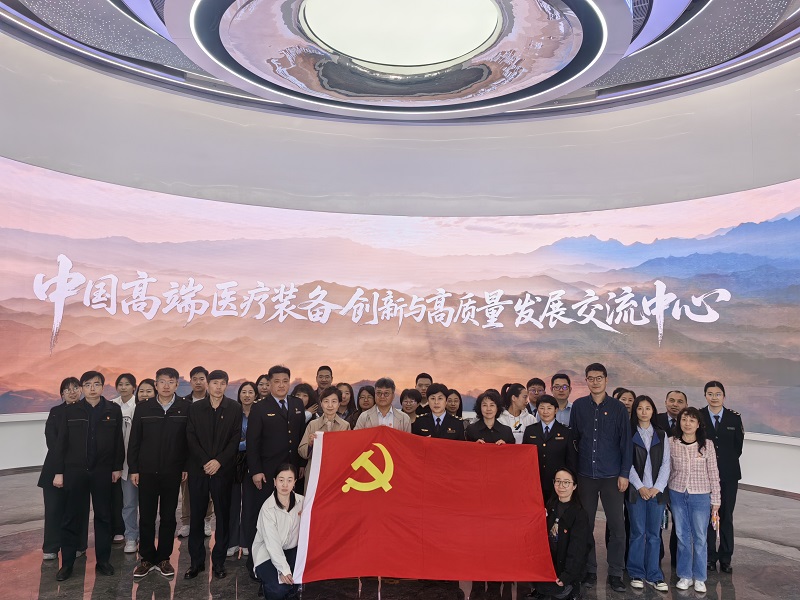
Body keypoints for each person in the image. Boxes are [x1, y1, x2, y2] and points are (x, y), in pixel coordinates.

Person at [53, 371, 124, 581]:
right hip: (75, 471)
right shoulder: (71, 410)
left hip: (102, 471)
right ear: (82, 388)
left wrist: (117, 467)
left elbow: (118, 441)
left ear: (103, 387)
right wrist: (59, 471)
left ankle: (103, 561)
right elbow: (61, 443)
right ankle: (67, 564)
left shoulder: (113, 409)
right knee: (71, 517)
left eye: (96, 384)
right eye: (87, 385)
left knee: (103, 516)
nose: (92, 388)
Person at [568, 363, 631, 592]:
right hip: (586, 475)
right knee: (586, 525)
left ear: (606, 379)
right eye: (591, 378)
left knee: (617, 527)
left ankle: (616, 573)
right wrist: (574, 475)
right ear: (586, 380)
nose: (595, 382)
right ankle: (590, 570)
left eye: (599, 378)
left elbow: (626, 444)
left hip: (612, 476)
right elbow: (573, 440)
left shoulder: (618, 408)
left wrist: (624, 474)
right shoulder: (579, 406)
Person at [128, 367, 191, 580]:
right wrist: (134, 469)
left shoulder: (186, 407)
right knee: (146, 516)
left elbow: (189, 441)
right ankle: (146, 559)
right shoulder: (143, 408)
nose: (166, 386)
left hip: (172, 471)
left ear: (177, 385)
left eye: (171, 382)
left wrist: (185, 466)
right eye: (162, 381)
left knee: (168, 516)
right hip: (146, 471)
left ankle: (164, 558)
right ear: (155, 384)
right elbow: (135, 440)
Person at [246, 365, 307, 577]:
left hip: (293, 473)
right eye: (277, 381)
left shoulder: (297, 404)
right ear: (269, 383)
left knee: (291, 519)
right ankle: (257, 565)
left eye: (285, 381)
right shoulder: (260, 407)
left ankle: (289, 563)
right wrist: (256, 470)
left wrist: (301, 464)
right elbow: (252, 442)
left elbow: (300, 436)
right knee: (265, 518)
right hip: (268, 473)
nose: (281, 385)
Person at [185, 370, 243, 580]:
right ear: (208, 385)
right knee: (197, 517)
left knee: (223, 517)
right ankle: (196, 563)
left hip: (223, 471)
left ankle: (219, 562)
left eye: (222, 383)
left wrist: (219, 461)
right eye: (215, 383)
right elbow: (190, 437)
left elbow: (235, 439)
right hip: (199, 471)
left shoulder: (234, 408)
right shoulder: (195, 408)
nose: (218, 387)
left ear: (227, 385)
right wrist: (205, 461)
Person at [668, 406, 721, 593]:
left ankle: (700, 577)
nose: (687, 423)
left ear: (698, 424)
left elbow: (713, 473)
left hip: (701, 495)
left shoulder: (707, 445)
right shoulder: (671, 442)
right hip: (677, 493)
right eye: (684, 419)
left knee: (700, 537)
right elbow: (668, 470)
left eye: (692, 420)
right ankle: (685, 575)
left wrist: (716, 499)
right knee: (682, 536)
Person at [39, 377, 88, 561]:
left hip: (80, 468)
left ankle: (79, 545)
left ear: (81, 390)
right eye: (67, 389)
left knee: (79, 509)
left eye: (75, 388)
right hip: (54, 466)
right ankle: (51, 546)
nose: (72, 392)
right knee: (53, 509)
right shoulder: (55, 412)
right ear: (62, 394)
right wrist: (63, 459)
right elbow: (51, 439)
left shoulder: (87, 411)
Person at [626, 395, 670, 592]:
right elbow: (626, 463)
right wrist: (640, 487)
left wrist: (656, 488)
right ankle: (636, 572)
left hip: (656, 493)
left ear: (653, 411)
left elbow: (666, 464)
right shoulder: (629, 433)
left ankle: (654, 574)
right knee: (637, 533)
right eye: (640, 408)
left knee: (654, 535)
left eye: (648, 408)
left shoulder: (661, 434)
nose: (644, 412)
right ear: (635, 411)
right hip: (636, 492)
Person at [700, 381, 744, 574]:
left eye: (718, 394)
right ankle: (709, 557)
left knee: (726, 516)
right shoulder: (699, 416)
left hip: (728, 474)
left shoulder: (734, 418)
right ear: (705, 396)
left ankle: (726, 558)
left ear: (724, 396)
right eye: (710, 394)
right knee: (708, 517)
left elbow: (738, 447)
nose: (714, 397)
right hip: (705, 474)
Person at [534, 468, 591, 600]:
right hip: (551, 562)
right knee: (535, 582)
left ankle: (573, 586)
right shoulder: (550, 506)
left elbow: (578, 549)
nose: (561, 486)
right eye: (558, 481)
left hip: (567, 565)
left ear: (574, 486)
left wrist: (567, 575)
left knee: (554, 589)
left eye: (566, 482)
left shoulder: (579, 514)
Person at [252, 464, 303, 600]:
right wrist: (283, 570)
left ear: (294, 482)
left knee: (296, 581)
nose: (285, 484)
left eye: (289, 480)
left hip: (291, 550)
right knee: (278, 588)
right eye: (281, 480)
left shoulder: (302, 502)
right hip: (267, 552)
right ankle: (267, 587)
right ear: (274, 482)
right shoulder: (268, 508)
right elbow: (272, 543)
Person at [522, 395, 577, 503]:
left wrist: (569, 483)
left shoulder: (566, 432)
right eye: (542, 408)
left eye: (549, 408)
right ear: (537, 410)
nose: (545, 412)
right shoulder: (530, 431)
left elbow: (571, 460)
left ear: (556, 410)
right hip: (535, 482)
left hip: (558, 484)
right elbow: (525, 459)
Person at [179, 366, 213, 539]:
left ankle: (206, 520)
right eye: (194, 379)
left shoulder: (214, 401)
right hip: (187, 454)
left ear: (207, 381)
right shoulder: (184, 403)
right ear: (190, 381)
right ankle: (186, 522)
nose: (198, 382)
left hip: (208, 453)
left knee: (208, 490)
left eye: (201, 379)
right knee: (186, 490)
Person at [299, 386, 351, 491]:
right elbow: (302, 451)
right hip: (315, 472)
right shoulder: (313, 424)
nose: (330, 405)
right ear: (321, 404)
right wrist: (310, 444)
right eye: (326, 401)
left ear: (339, 404)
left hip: (337, 473)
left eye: (334, 401)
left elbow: (349, 452)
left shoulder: (345, 425)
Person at [656, 390, 687, 565]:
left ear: (686, 405)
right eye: (672, 400)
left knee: (679, 522)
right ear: (666, 402)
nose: (675, 404)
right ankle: (657, 556)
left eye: (680, 401)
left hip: (679, 480)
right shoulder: (656, 420)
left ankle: (677, 558)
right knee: (657, 521)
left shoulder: (688, 422)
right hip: (657, 478)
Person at [229, 381, 258, 559]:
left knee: (249, 503)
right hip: (234, 463)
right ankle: (232, 542)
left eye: (250, 392)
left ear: (256, 395)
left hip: (254, 463)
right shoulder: (233, 413)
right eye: (244, 392)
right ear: (239, 395)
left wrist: (244, 444)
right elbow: (228, 439)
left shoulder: (259, 413)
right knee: (233, 503)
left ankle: (247, 541)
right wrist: (248, 444)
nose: (247, 395)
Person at [111, 373, 139, 554]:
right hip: (124, 464)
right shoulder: (112, 405)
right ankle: (131, 536)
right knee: (128, 503)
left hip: (142, 462)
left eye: (127, 384)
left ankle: (146, 536)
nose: (123, 387)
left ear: (134, 387)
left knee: (148, 505)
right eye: (120, 384)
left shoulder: (140, 406)